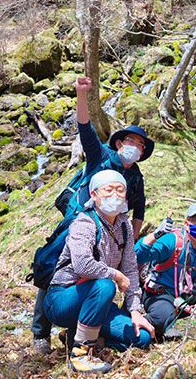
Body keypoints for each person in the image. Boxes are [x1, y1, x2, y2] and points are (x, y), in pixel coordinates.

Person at [32, 76, 155, 354]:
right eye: (131, 140)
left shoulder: (135, 177)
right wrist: (81, 94)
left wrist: (129, 242)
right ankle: (41, 331)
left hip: (114, 229)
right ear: (120, 142)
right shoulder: (100, 155)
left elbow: (140, 209)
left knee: (108, 279)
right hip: (80, 221)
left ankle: (96, 328)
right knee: (54, 269)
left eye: (141, 144)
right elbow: (85, 127)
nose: (136, 146)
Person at [45, 169, 154, 374]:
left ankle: (81, 336)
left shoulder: (125, 227)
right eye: (108, 189)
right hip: (63, 299)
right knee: (105, 284)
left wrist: (135, 310)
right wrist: (115, 274)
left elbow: (130, 268)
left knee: (142, 339)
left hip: (98, 304)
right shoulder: (84, 223)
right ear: (94, 195)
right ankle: (80, 355)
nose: (115, 195)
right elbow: (82, 265)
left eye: (120, 190)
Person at [135, 202, 196, 341]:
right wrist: (156, 235)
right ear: (187, 224)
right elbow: (138, 256)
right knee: (163, 318)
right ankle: (141, 320)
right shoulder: (172, 240)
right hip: (161, 295)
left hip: (190, 294)